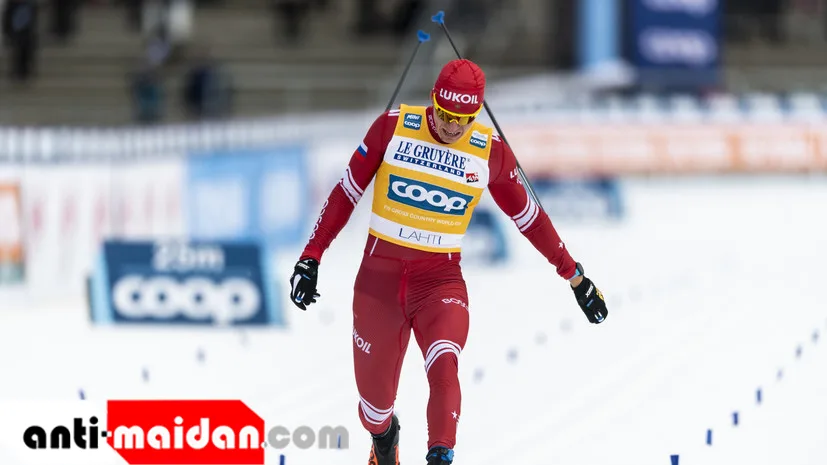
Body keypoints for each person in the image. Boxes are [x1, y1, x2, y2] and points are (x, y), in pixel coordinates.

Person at [288, 59, 608, 465]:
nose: (453, 127)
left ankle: (440, 454)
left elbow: (530, 218)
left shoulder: (490, 151)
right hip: (378, 283)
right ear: (433, 100)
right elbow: (345, 193)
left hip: (439, 282)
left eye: (464, 119)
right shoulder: (392, 127)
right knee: (374, 410)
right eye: (445, 115)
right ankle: (385, 438)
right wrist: (311, 257)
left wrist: (575, 276)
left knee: (444, 365)